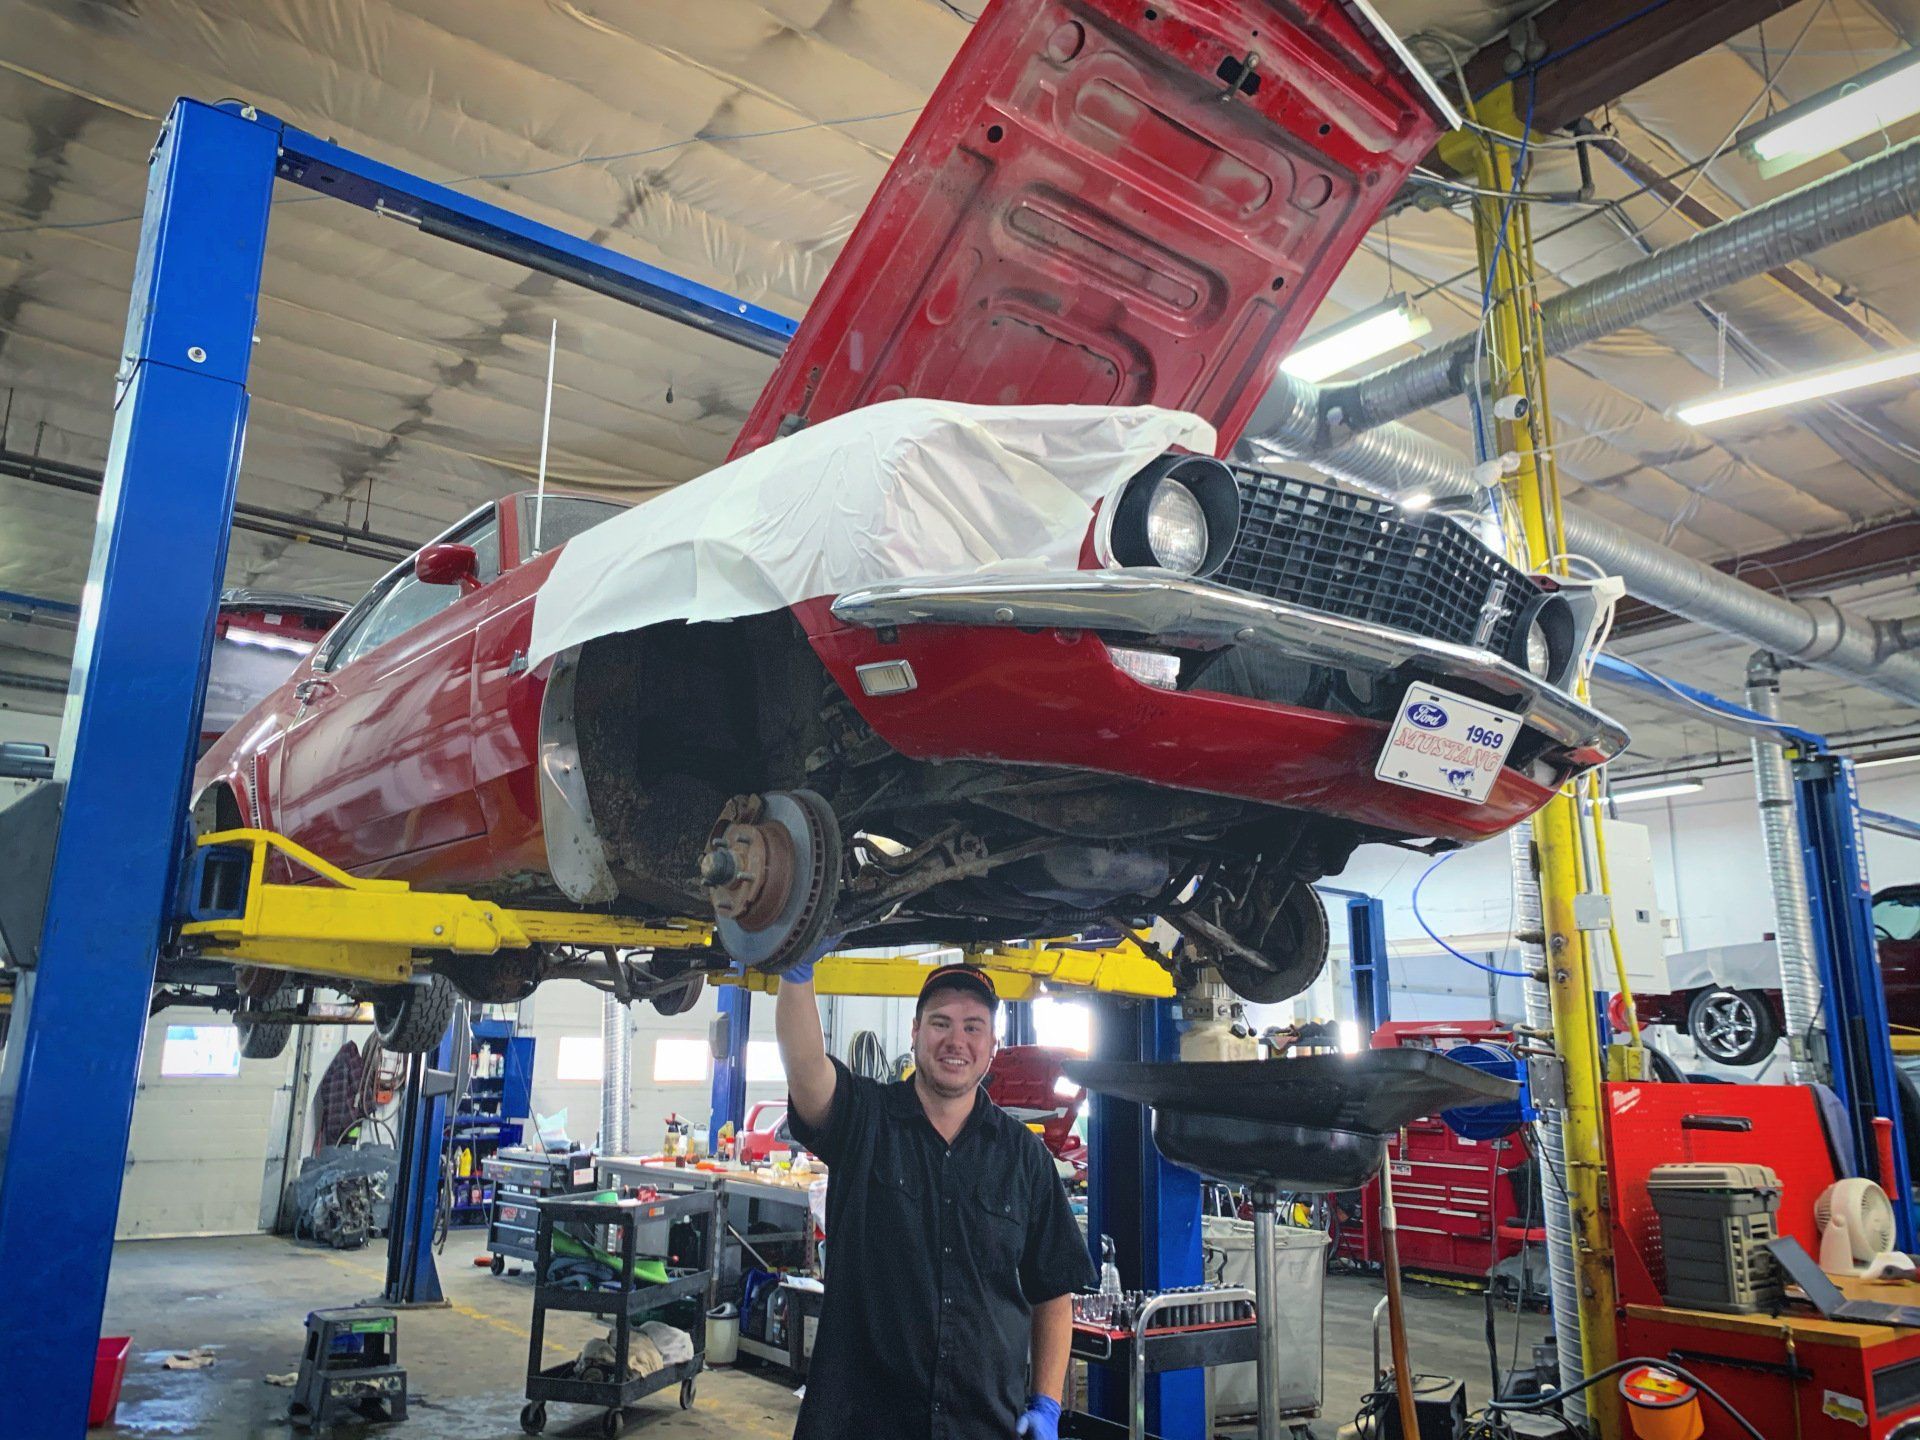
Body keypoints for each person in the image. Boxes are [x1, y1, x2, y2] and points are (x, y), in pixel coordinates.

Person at [775, 953, 1094, 1440]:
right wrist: (797, 967)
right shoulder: (864, 1120)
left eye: (973, 1027)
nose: (956, 1041)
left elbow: (1052, 1291)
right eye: (941, 1023)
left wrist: (1047, 1402)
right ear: (915, 1032)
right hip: (860, 1425)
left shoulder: (1025, 1157)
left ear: (992, 1047)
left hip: (982, 1426)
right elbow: (805, 1069)